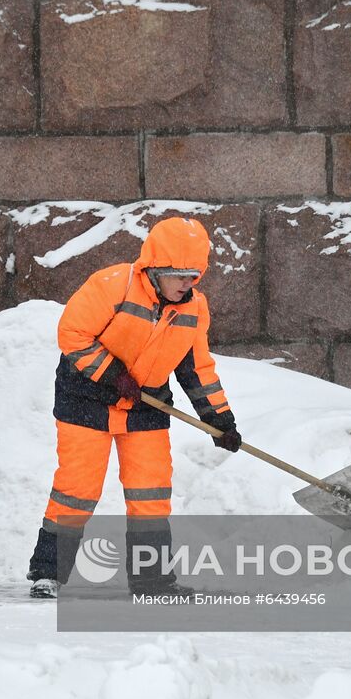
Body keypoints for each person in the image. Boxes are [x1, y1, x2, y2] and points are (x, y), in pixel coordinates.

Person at [26, 216, 241, 599]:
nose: (186, 284)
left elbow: (197, 368)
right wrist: (113, 374)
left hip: (146, 405)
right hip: (86, 399)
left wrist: (219, 419)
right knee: (77, 490)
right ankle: (48, 573)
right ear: (155, 269)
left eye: (193, 276)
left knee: (150, 492)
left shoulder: (194, 308)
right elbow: (72, 334)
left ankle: (152, 580)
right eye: (179, 275)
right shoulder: (114, 285)